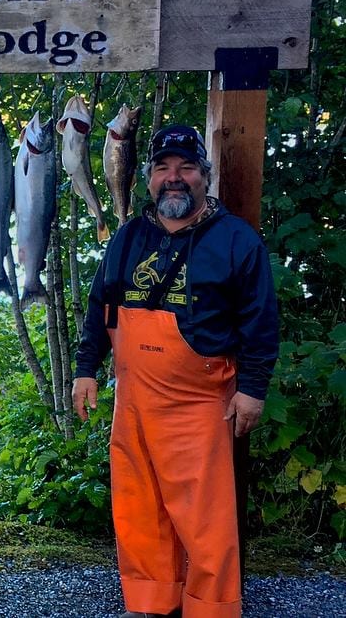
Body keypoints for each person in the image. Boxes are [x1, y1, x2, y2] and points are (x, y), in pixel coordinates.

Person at [72, 125, 279, 618]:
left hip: (200, 402)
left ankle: (211, 608)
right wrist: (86, 369)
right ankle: (151, 602)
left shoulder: (237, 240)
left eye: (186, 168)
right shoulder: (128, 237)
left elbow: (260, 321)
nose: (174, 177)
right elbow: (101, 306)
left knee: (205, 518)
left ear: (204, 176)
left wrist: (252, 390)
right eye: (163, 168)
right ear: (147, 179)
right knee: (139, 508)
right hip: (133, 399)